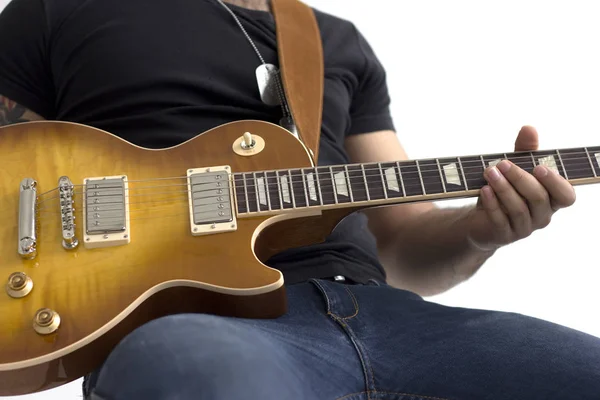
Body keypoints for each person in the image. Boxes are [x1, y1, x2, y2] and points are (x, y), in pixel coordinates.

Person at [1, 0, 599, 399]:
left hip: (388, 314)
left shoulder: (333, 41)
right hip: (190, 320)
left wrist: (480, 229)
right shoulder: (60, 8)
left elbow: (403, 242)